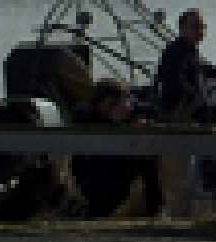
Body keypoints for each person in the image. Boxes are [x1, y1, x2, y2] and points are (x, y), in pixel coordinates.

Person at [154, 7, 216, 217]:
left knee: (188, 168)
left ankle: (184, 211)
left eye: (202, 27)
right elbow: (175, 84)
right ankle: (177, 214)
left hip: (189, 118)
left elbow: (201, 66)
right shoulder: (176, 52)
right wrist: (197, 99)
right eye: (195, 27)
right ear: (182, 28)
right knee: (178, 170)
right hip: (178, 118)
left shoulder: (189, 50)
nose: (200, 31)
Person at [70, 78, 163, 217]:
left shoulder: (132, 109)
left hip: (122, 167)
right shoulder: (85, 114)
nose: (115, 108)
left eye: (118, 103)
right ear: (98, 103)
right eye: (110, 104)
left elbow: (152, 112)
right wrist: (113, 122)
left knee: (147, 154)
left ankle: (154, 208)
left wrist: (139, 122)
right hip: (94, 173)